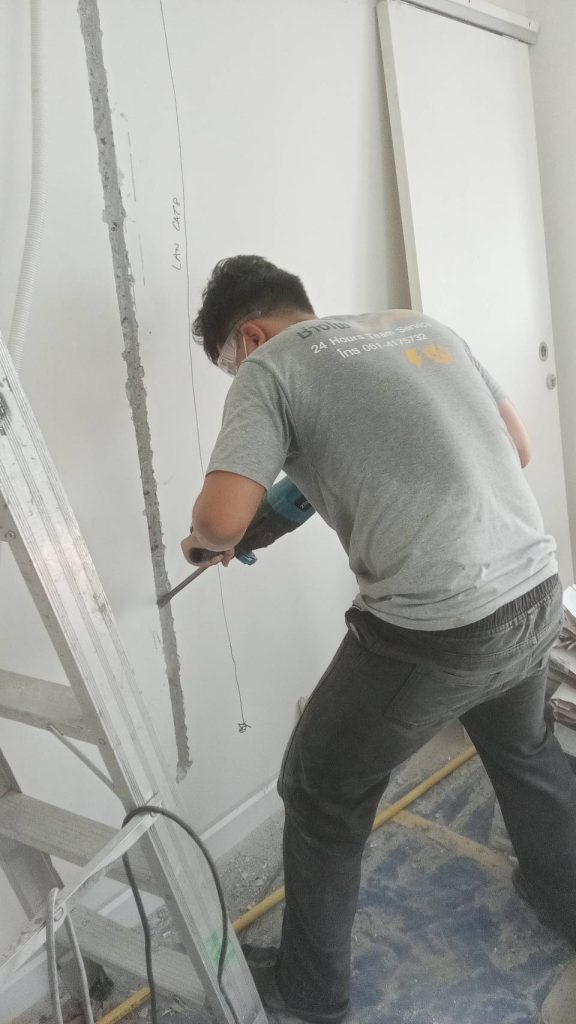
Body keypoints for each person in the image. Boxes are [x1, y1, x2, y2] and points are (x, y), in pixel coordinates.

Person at [181, 254, 576, 1023]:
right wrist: (305, 492)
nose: (238, 376)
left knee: (322, 786)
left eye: (229, 363)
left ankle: (310, 993)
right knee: (525, 749)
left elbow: (223, 520)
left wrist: (205, 540)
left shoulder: (271, 369)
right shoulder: (415, 325)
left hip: (441, 627)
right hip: (536, 591)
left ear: (250, 335)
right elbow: (517, 448)